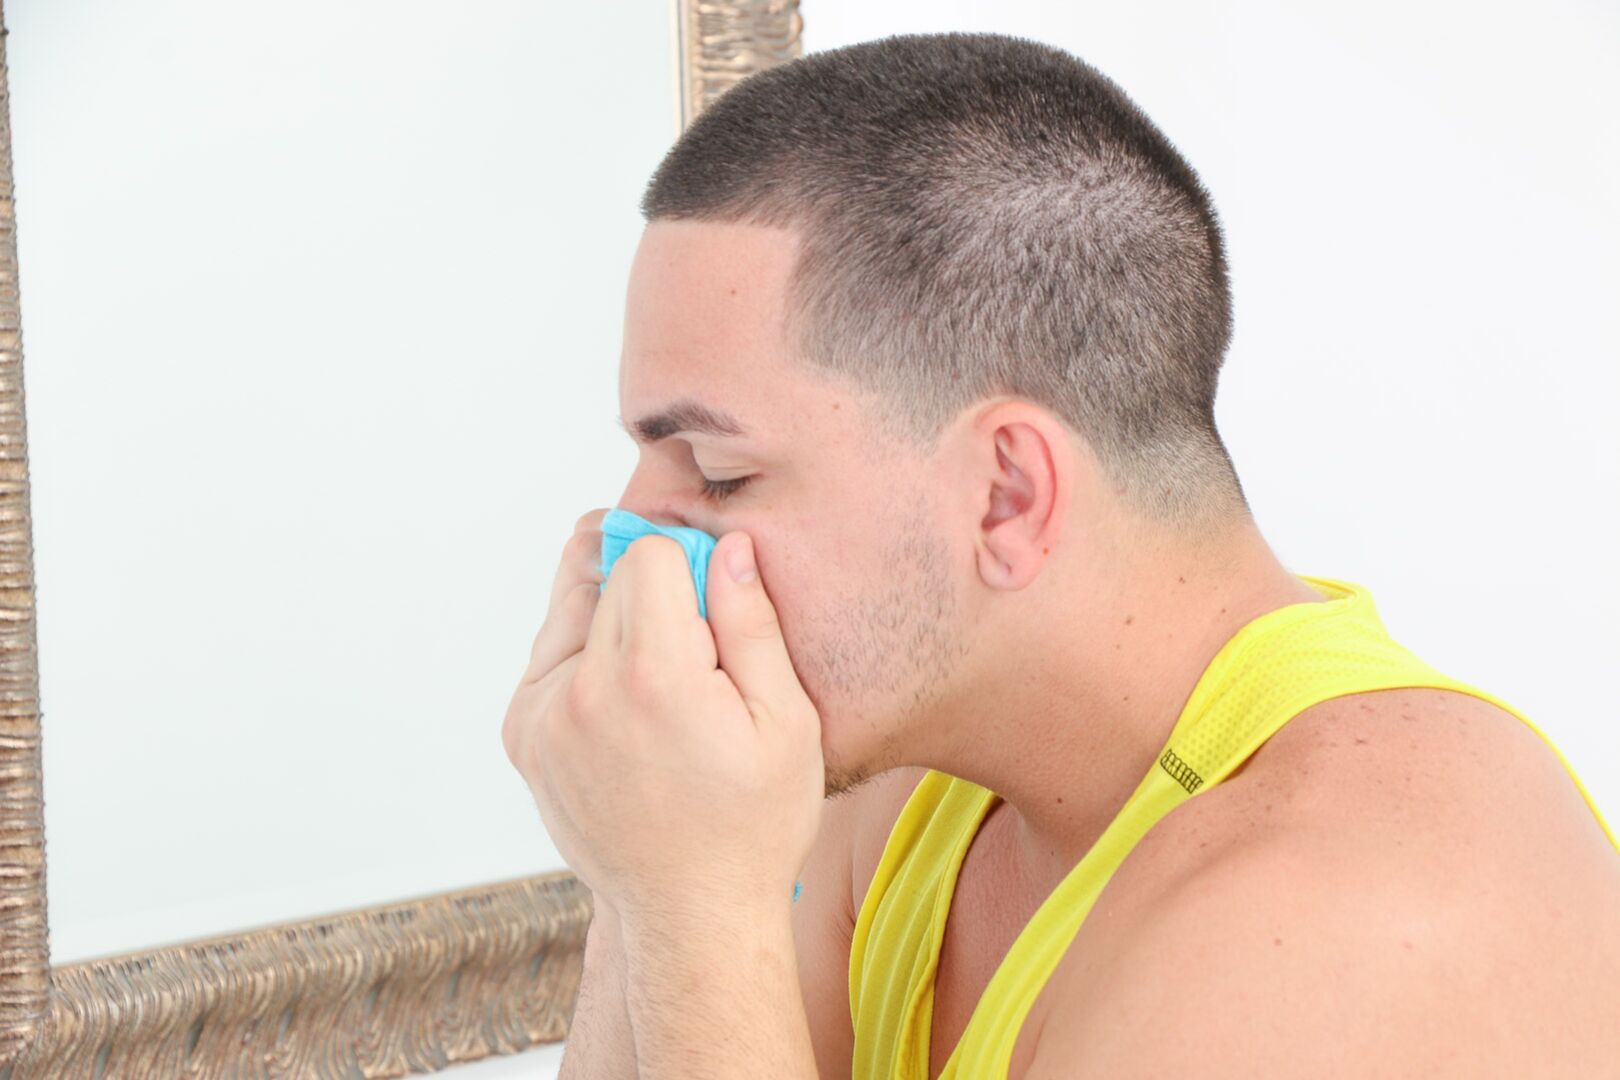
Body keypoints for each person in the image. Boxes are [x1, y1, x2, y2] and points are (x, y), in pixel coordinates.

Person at [520, 31, 1620, 1078]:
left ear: (1007, 496)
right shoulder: (908, 768)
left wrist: (693, 905)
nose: (630, 533)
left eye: (716, 471)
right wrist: (640, 882)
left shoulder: (1334, 909)